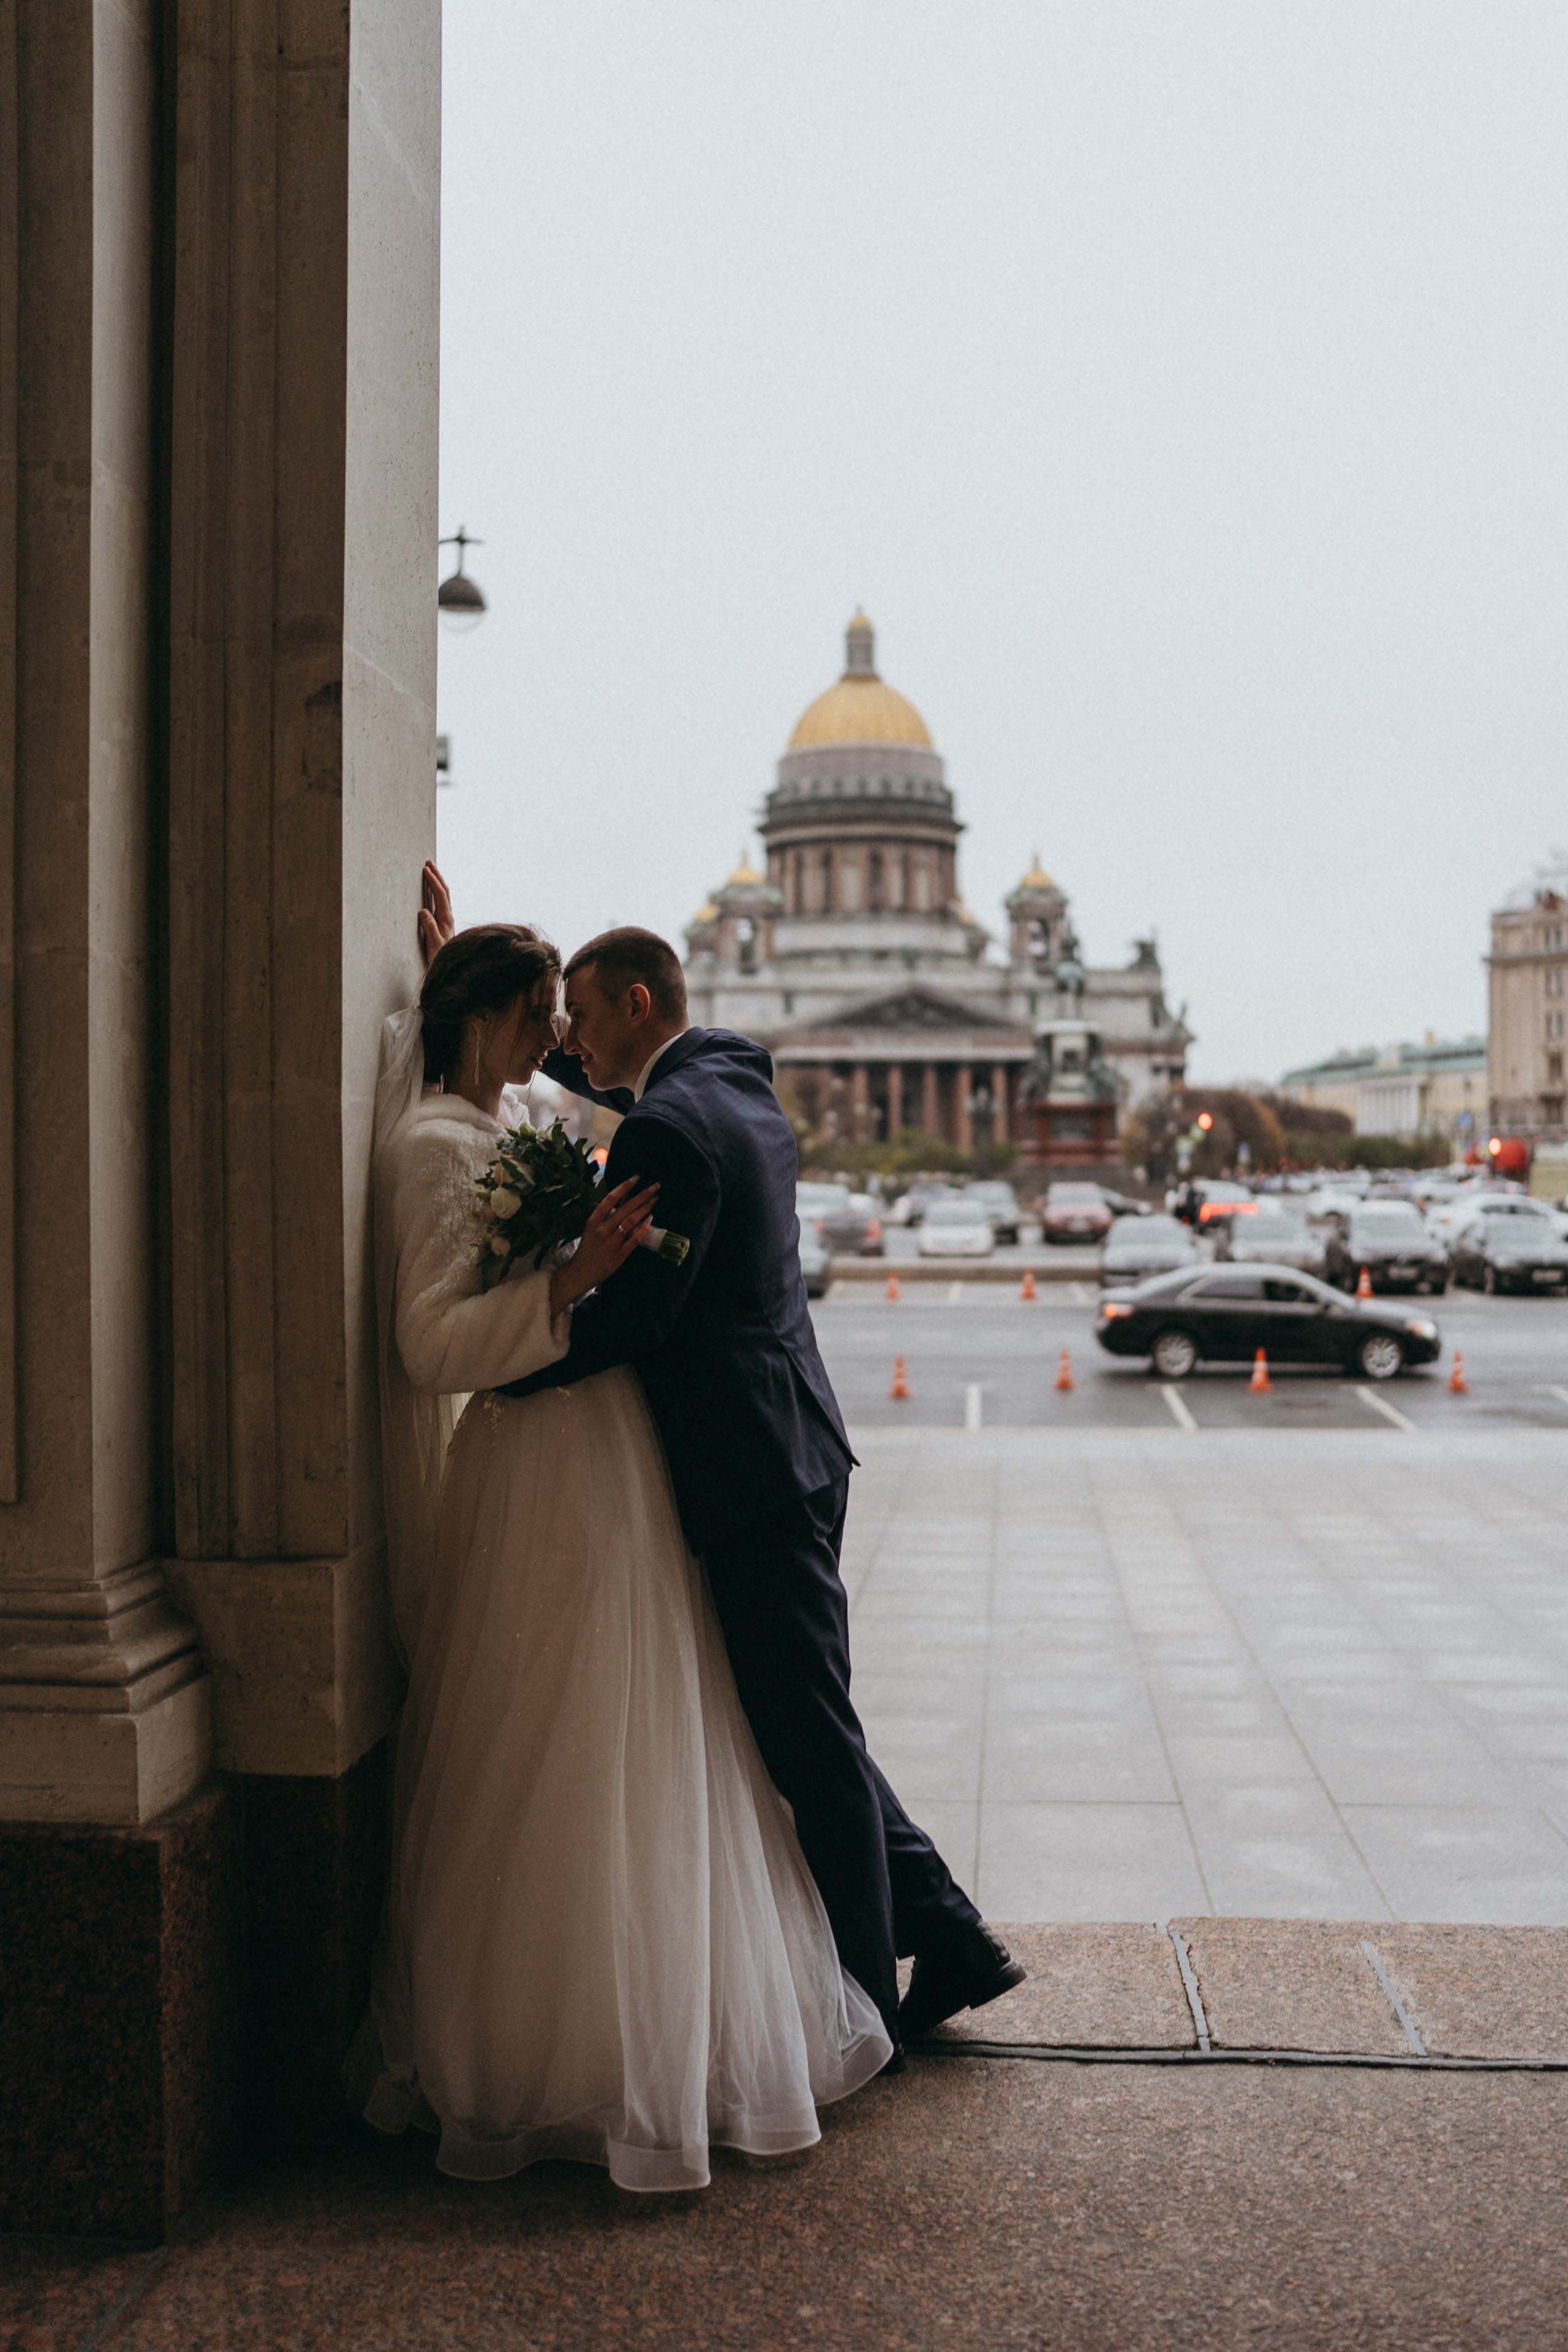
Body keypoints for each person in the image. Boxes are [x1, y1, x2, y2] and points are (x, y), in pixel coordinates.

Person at [419, 865, 1026, 2057]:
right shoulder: (733, 1079)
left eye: (578, 1019)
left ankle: (870, 1997)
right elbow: (617, 1104)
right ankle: (950, 1933)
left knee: (807, 1743)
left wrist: (508, 1360)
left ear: (636, 1004)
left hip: (746, 1466)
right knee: (799, 1719)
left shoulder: (669, 1123)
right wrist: (457, 990)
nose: (564, 1043)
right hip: (792, 1443)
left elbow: (644, 1315)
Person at [359, 921, 891, 2193]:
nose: (564, 1041)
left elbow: (576, 1088)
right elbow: (433, 1344)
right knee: (577, 1734)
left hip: (619, 1462)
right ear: (490, 1018)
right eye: (542, 1013)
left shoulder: (553, 1114)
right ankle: (584, 2031)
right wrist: (569, 1283)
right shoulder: (449, 1141)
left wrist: (466, 955)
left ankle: (700, 2011)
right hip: (560, 1463)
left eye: (577, 1014)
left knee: (656, 1732)